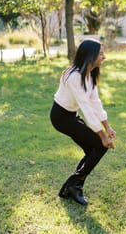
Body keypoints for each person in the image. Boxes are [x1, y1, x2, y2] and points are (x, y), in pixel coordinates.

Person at [49, 38, 116, 206]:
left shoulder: (90, 73)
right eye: (101, 54)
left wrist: (107, 128)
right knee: (99, 146)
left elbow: (95, 102)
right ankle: (73, 185)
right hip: (61, 117)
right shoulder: (73, 76)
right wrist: (102, 137)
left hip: (70, 115)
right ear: (90, 55)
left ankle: (73, 186)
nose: (104, 57)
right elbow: (86, 108)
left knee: (93, 149)